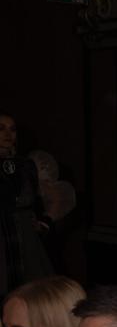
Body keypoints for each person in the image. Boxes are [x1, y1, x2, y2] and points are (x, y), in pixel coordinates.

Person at [0, 112, 51, 296]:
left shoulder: (26, 165)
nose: (8, 134)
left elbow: (37, 200)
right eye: (1, 129)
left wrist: (42, 223)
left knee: (32, 293)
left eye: (12, 129)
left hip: (26, 237)